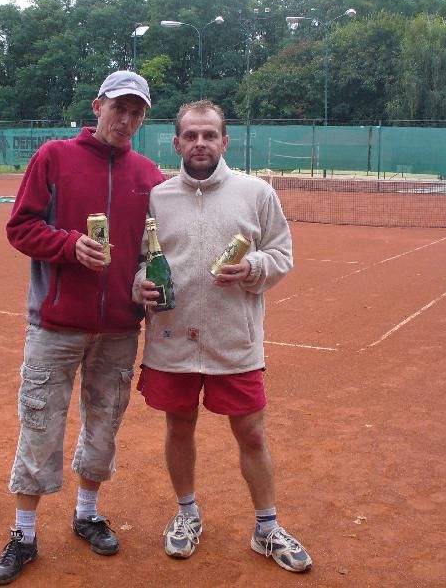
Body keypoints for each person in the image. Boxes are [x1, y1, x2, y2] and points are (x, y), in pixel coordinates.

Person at [0, 70, 165, 585]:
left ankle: (87, 514)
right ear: (97, 106)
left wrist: (142, 280)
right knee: (40, 422)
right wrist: (69, 246)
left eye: (136, 113)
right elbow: (21, 226)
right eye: (119, 108)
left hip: (119, 329)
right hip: (56, 325)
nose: (126, 119)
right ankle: (24, 534)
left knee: (104, 424)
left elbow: (153, 250)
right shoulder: (54, 157)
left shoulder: (149, 175)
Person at [133, 100, 312, 573]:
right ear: (176, 143)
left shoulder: (256, 193)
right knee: (179, 426)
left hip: (234, 341)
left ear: (224, 141)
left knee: (251, 432)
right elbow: (138, 260)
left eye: (209, 135)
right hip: (171, 340)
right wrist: (139, 284)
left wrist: (252, 267)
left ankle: (266, 527)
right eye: (191, 135)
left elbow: (282, 254)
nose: (200, 143)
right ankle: (187, 514)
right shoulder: (157, 197)